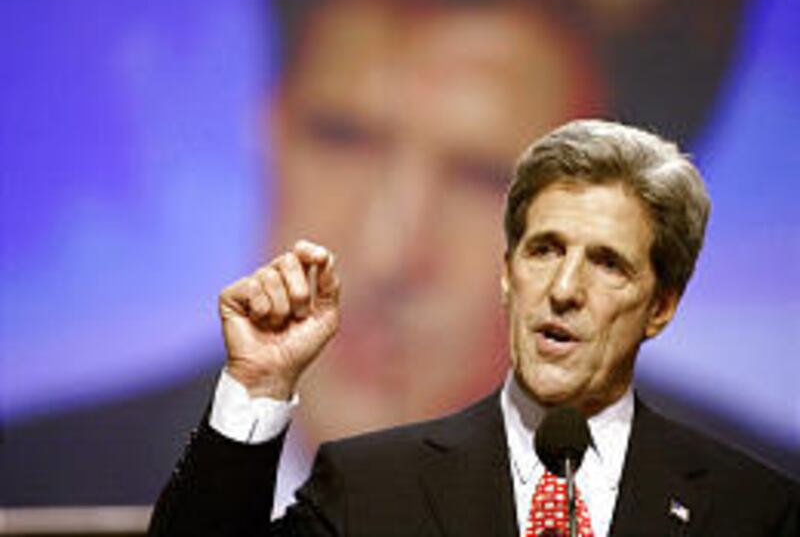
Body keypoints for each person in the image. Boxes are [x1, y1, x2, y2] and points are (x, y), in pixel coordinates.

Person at [149, 120, 799, 536]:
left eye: (606, 263)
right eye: (544, 249)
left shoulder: (752, 511)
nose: (564, 289)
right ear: (507, 274)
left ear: (662, 305)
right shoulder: (372, 487)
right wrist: (257, 385)